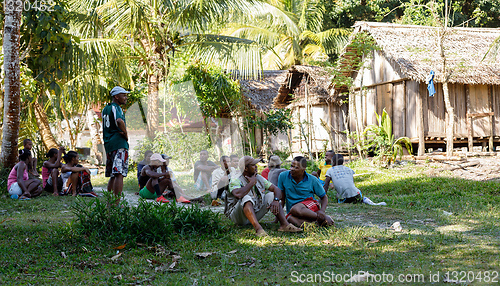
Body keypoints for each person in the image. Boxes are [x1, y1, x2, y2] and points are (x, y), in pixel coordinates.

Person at [226, 156, 302, 237]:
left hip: (254, 213)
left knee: (271, 195)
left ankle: (284, 225)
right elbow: (238, 194)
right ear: (245, 169)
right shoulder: (235, 178)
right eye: (253, 165)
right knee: (246, 197)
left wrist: (276, 200)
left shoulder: (257, 177)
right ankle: (258, 229)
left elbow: (277, 189)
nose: (256, 167)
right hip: (239, 217)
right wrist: (251, 183)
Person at [278, 156, 334, 227]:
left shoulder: (312, 180)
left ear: (303, 169)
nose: (292, 169)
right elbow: (282, 198)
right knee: (290, 219)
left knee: (296, 208)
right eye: (291, 166)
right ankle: (316, 224)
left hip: (309, 207)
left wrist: (322, 211)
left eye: (296, 168)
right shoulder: (283, 176)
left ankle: (322, 217)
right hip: (294, 212)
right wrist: (277, 219)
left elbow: (324, 197)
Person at [102, 86, 130, 201]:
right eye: (123, 95)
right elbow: (119, 121)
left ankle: (110, 201)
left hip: (109, 144)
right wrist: (125, 133)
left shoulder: (105, 109)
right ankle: (117, 202)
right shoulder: (116, 107)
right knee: (119, 173)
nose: (126, 97)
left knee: (113, 174)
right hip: (119, 143)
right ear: (116, 96)